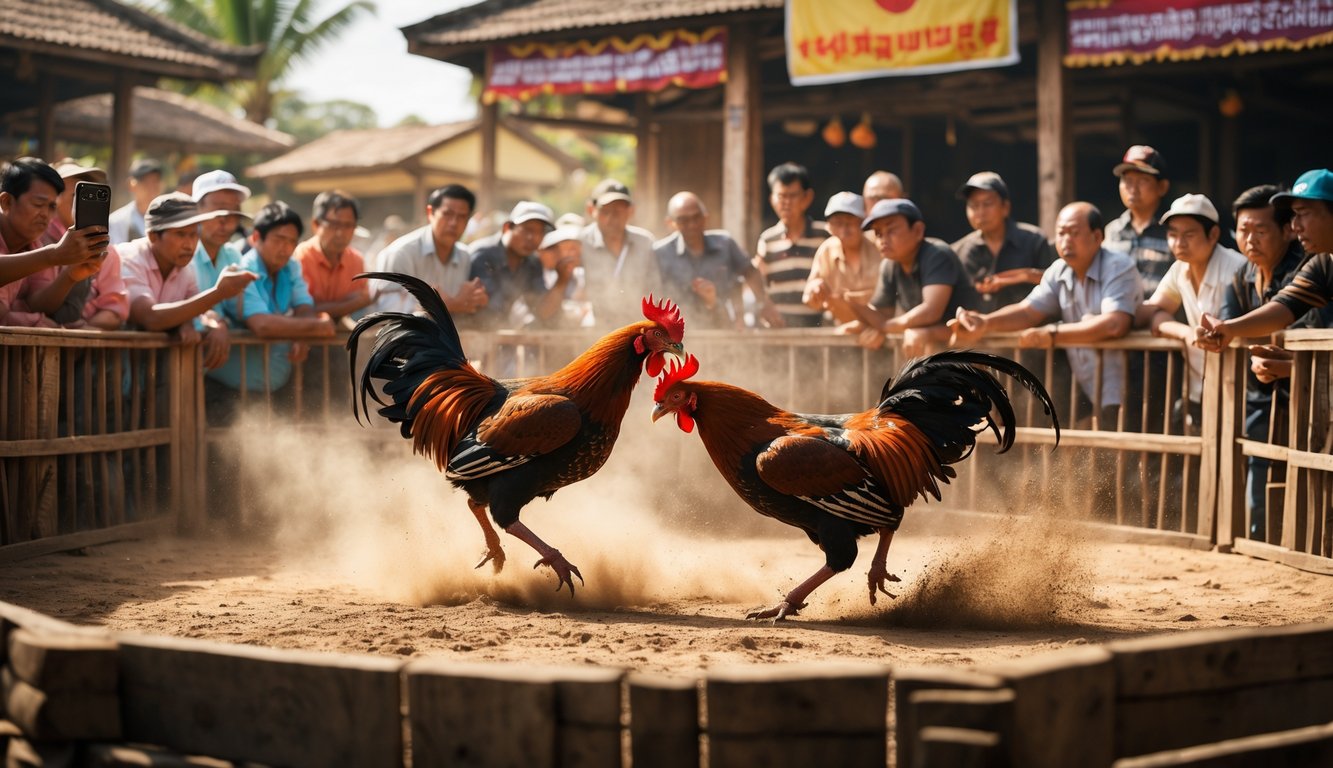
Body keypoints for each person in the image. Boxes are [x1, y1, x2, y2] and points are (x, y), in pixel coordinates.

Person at [951, 202, 1143, 424]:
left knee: (1130, 450)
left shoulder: (1118, 266)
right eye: (1061, 233)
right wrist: (985, 322)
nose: (1066, 240)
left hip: (1132, 384)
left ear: (1097, 236)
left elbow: (1114, 324)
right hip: (1090, 383)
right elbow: (1028, 311)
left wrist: (1053, 334)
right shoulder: (1059, 270)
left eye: (1074, 233)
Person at [1219, 184, 1311, 539]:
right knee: (1258, 479)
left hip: (1307, 391)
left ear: (1287, 230)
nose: (1251, 239)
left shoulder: (1308, 270)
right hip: (1262, 393)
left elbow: (1304, 330)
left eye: (1261, 230)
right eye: (1244, 230)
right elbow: (1230, 328)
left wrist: (1256, 343)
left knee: (1308, 480)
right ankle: (1262, 542)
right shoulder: (1241, 276)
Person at [208, 201, 335, 403]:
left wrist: (304, 331)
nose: (286, 248)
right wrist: (316, 326)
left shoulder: (291, 266)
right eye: (279, 239)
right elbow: (262, 325)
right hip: (227, 387)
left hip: (269, 384)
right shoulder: (242, 270)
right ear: (256, 237)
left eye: (292, 241)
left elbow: (303, 304)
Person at [1134, 194, 1246, 422]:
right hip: (1199, 388)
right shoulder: (1179, 269)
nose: (1178, 242)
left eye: (1189, 234)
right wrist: (1184, 333)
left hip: (1239, 387)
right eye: (1172, 234)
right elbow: (1153, 312)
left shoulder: (1237, 268)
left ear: (1213, 234)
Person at [1196, 169, 1333, 352]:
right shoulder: (1323, 264)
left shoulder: (1305, 263)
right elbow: (1283, 308)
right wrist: (1228, 328)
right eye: (1294, 215)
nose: (1295, 226)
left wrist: (1289, 366)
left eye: (1303, 213)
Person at [117, 193, 256, 368]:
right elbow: (151, 317)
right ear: (153, 236)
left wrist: (216, 323)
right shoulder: (128, 259)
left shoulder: (185, 268)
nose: (189, 244)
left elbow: (199, 310)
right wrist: (218, 293)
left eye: (193, 234)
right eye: (180, 234)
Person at [849, 198, 981, 356]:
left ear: (918, 231)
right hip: (931, 355)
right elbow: (882, 315)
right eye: (878, 233)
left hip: (969, 352)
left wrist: (886, 327)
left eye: (891, 230)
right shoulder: (889, 264)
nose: (883, 239)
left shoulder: (937, 255)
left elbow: (932, 311)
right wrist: (851, 306)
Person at [1, 157, 109, 326]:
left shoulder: (34, 244)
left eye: (52, 207)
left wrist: (70, 276)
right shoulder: (47, 251)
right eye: (38, 204)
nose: (45, 214)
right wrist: (54, 255)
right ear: (6, 202)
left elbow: (35, 304)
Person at [22, 159, 127, 329]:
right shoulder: (35, 240)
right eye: (76, 193)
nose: (84, 198)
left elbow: (115, 310)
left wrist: (81, 333)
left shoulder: (106, 250)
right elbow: (33, 304)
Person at [655, 191, 778, 329]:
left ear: (705, 217)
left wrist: (763, 303)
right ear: (671, 223)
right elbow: (652, 292)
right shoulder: (661, 253)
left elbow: (750, 272)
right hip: (680, 334)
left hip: (723, 328)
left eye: (696, 217)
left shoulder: (725, 244)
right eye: (684, 220)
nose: (692, 225)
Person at [374, 184, 487, 321]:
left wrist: (476, 303)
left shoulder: (464, 256)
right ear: (430, 213)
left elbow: (465, 307)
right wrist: (445, 306)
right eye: (447, 214)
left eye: (462, 217)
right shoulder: (400, 253)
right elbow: (388, 316)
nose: (453, 223)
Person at [951, 171, 1056, 314]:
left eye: (987, 204)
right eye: (973, 205)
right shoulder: (958, 251)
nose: (980, 212)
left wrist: (1024, 276)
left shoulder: (1034, 241)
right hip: (976, 330)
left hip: (1028, 329)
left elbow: (1056, 283)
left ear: (1005, 207)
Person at [469, 201, 569, 329]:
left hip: (498, 337)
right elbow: (486, 310)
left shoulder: (532, 263)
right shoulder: (483, 255)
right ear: (507, 228)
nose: (532, 238)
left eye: (540, 232)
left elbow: (541, 311)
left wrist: (562, 281)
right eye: (527, 230)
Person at [755, 162, 829, 328]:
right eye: (781, 196)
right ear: (772, 199)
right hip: (780, 335)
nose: (786, 202)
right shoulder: (767, 240)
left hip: (820, 334)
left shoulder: (824, 235)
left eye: (792, 195)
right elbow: (759, 283)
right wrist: (763, 305)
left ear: (807, 197)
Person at [579, 179, 660, 328]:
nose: (612, 218)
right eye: (605, 211)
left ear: (631, 211)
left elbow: (655, 289)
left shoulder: (644, 242)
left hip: (635, 330)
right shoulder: (580, 242)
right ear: (591, 210)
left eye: (618, 211)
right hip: (593, 331)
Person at [803, 191, 881, 327]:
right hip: (842, 333)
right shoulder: (826, 250)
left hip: (881, 329)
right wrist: (814, 289)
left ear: (863, 223)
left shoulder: (879, 246)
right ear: (829, 226)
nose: (843, 229)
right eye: (837, 223)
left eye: (850, 222)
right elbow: (809, 295)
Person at [293, 190, 371, 323]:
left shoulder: (357, 261)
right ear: (316, 224)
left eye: (348, 225)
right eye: (334, 224)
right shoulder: (300, 258)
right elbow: (303, 311)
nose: (340, 233)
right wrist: (352, 303)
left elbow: (362, 306)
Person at [1104, 145, 1172, 298]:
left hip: (1158, 317)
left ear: (1162, 187)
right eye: (1127, 180)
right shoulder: (1112, 231)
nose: (1132, 188)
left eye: (1143, 181)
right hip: (1114, 316)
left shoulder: (1173, 231)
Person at [190, 169, 253, 297]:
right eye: (218, 210)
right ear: (196, 209)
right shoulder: (184, 257)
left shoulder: (232, 255)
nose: (225, 220)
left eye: (233, 211)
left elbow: (245, 307)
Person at [108, 158, 163, 245]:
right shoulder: (117, 221)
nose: (152, 187)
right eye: (145, 182)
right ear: (131, 184)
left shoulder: (169, 218)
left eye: (155, 181)